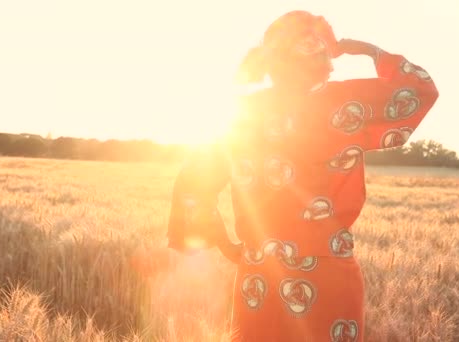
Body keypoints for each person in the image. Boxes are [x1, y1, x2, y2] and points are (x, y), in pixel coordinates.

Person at [166, 10, 439, 342]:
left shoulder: (245, 112)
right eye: (310, 40)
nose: (319, 45)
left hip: (260, 275)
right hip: (326, 274)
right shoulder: (349, 103)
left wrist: (225, 243)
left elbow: (195, 181)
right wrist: (364, 49)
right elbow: (420, 90)